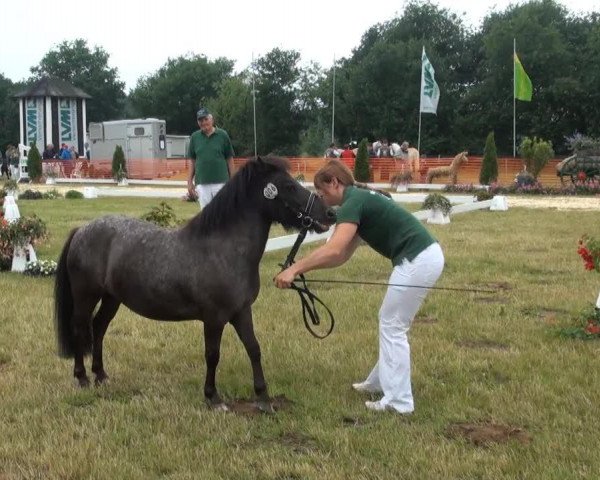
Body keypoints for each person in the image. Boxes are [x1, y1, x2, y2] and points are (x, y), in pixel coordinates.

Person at [274, 159, 445, 414]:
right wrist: (300, 269)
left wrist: (294, 269)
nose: (321, 198)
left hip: (416, 259)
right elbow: (340, 256)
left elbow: (333, 248)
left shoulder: (353, 202)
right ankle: (380, 383)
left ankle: (399, 402)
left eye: (322, 192)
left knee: (392, 325)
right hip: (424, 257)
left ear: (335, 182)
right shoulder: (358, 200)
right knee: (390, 322)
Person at [187, 107, 234, 208]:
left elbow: (229, 159)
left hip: (221, 182)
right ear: (197, 122)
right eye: (200, 120)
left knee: (222, 213)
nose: (203, 122)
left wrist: (233, 180)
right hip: (202, 184)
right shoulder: (195, 137)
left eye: (206, 119)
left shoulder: (223, 135)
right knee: (206, 215)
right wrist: (189, 182)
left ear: (212, 120)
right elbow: (192, 161)